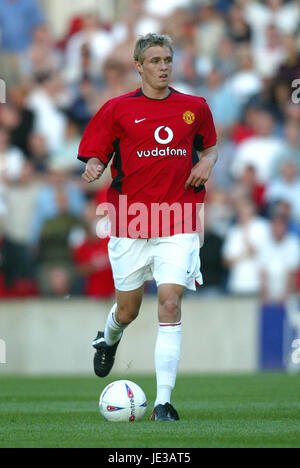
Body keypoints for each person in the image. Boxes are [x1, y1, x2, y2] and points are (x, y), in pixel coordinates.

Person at [78, 33, 218, 421]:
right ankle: (108, 339)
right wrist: (93, 165)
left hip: (178, 219)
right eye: (155, 60)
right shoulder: (117, 109)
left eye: (168, 59)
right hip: (130, 222)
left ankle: (163, 403)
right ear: (138, 66)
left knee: (170, 301)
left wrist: (207, 161)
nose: (163, 67)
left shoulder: (194, 107)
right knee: (128, 310)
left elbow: (210, 146)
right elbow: (96, 153)